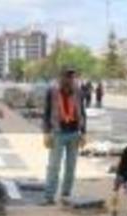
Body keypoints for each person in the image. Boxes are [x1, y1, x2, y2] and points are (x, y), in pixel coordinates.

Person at [42, 66, 87, 205]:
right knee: (54, 167)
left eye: (71, 76)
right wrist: (46, 133)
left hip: (74, 133)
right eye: (67, 76)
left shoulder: (78, 91)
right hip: (57, 133)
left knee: (71, 167)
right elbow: (47, 112)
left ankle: (66, 195)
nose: (69, 79)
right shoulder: (52, 91)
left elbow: (82, 112)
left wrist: (83, 132)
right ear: (60, 78)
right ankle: (49, 197)